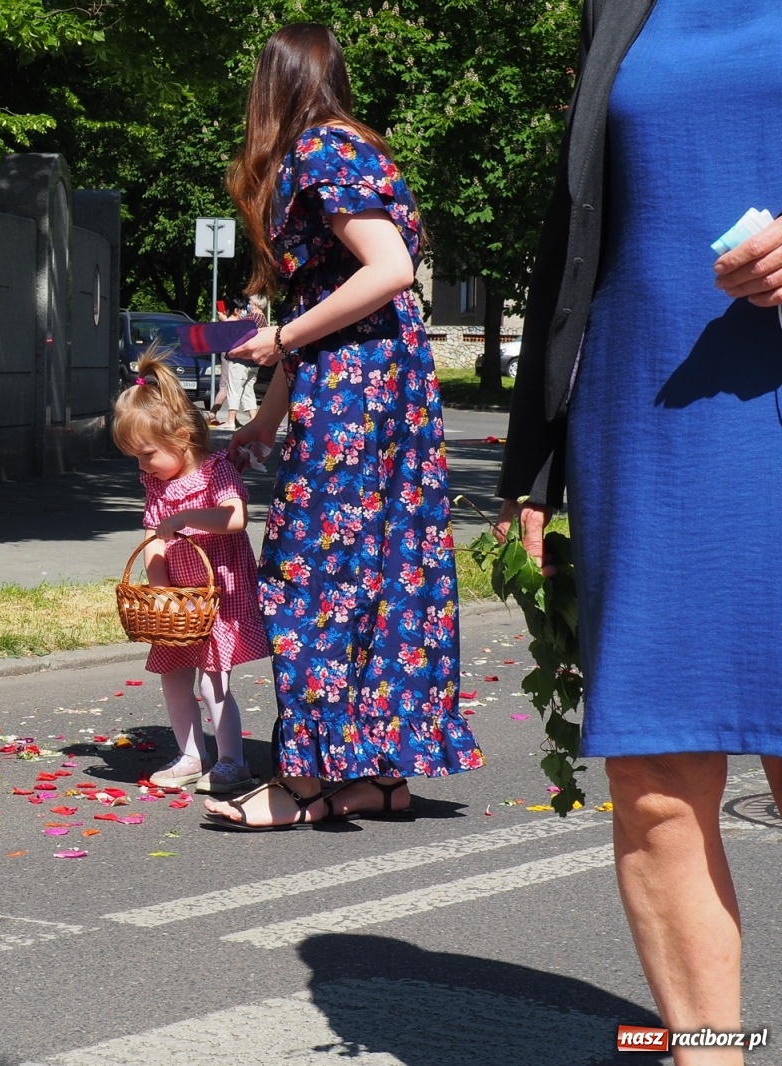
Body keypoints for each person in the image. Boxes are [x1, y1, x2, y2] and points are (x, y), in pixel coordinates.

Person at [497, 2, 782, 1058]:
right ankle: (712, 1053)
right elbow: (576, 227)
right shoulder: (622, 3)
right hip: (644, 416)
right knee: (654, 780)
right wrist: (535, 453)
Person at [202, 23, 483, 830]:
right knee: (387, 576)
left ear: (274, 87)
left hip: (356, 406)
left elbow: (388, 269)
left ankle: (300, 786)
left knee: (310, 577)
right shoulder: (355, 148)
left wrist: (282, 341)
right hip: (378, 391)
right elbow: (338, 304)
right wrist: (268, 412)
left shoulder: (320, 153)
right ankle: (381, 777)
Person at [112, 355, 270, 794]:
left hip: (217, 595)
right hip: (181, 602)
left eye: (147, 456)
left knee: (212, 680)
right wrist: (160, 588)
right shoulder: (157, 484)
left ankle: (232, 760)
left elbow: (234, 518)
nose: (142, 467)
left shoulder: (217, 471)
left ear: (181, 438)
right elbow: (153, 537)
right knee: (174, 676)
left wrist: (183, 517)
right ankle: (188, 754)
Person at [216, 298, 264, 428]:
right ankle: (254, 421)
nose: (248, 306)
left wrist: (224, 320)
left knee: (234, 389)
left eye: (249, 302)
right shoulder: (262, 319)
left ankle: (230, 421)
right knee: (248, 391)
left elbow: (237, 332)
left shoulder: (251, 317)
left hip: (240, 360)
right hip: (253, 362)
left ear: (254, 304)